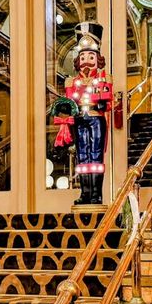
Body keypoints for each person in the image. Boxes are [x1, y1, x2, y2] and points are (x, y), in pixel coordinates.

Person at [54, 22, 113, 205]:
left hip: (96, 118)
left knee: (95, 154)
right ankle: (85, 193)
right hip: (79, 119)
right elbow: (70, 101)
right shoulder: (72, 81)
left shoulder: (103, 78)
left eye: (91, 56)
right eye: (83, 56)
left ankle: (96, 194)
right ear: (78, 60)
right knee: (82, 156)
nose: (86, 60)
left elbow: (106, 98)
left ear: (97, 58)